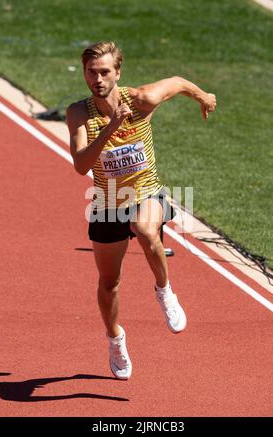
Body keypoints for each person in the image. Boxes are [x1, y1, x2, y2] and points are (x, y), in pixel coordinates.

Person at [66, 41, 216, 380]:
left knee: (146, 230)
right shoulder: (78, 113)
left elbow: (177, 82)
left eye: (105, 72)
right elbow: (80, 165)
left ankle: (164, 291)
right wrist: (109, 128)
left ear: (118, 72)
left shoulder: (141, 99)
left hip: (145, 192)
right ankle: (115, 337)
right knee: (109, 283)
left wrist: (203, 96)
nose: (98, 79)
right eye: (92, 73)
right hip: (107, 202)